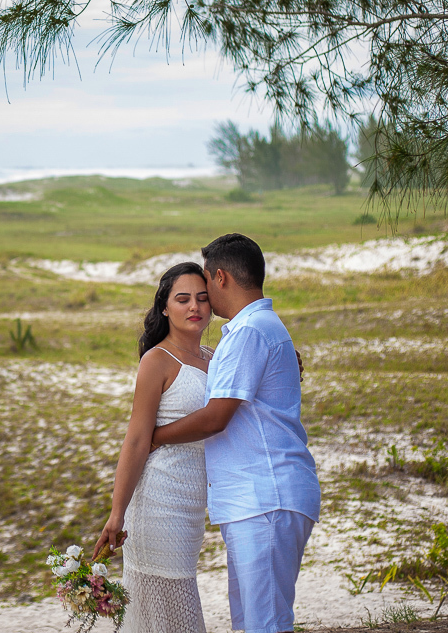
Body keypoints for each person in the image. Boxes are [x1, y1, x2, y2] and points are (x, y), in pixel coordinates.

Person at [150, 233, 321, 633]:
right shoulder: (255, 329)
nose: (203, 297)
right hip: (255, 498)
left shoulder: (250, 332)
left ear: (220, 277)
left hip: (266, 496)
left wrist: (156, 435)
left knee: (266, 625)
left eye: (206, 284)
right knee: (249, 623)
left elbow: (216, 417)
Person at [92, 262, 213, 633]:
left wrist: (290, 362)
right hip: (158, 502)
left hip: (193, 503)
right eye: (183, 299)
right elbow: (136, 439)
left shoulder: (213, 357)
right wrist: (117, 513)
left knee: (171, 611)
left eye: (202, 299)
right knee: (171, 613)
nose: (194, 307)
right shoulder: (157, 360)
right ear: (165, 307)